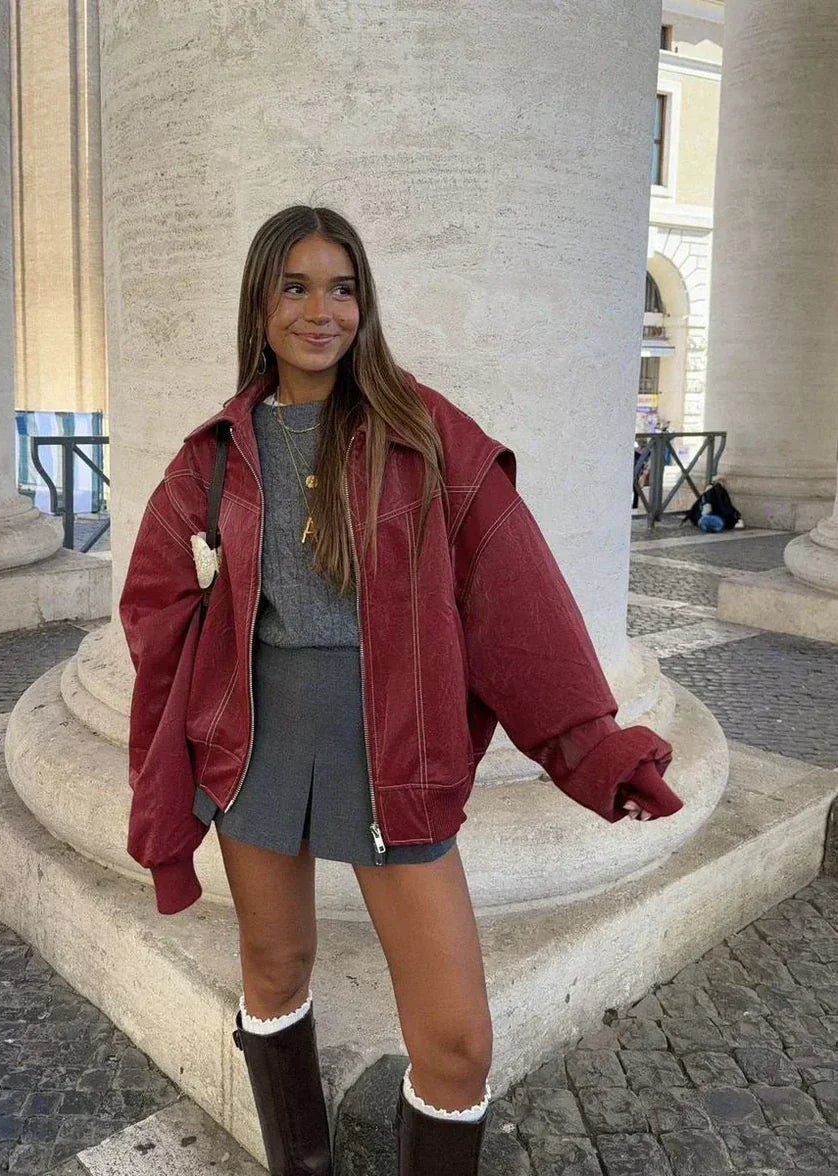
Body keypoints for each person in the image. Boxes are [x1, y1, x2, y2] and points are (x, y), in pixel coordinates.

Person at [118, 205, 684, 1176]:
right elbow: (153, 604)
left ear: (365, 304)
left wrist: (590, 745)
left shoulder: (423, 434)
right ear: (260, 305)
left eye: (342, 289)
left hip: (395, 750)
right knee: (273, 969)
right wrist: (192, 718)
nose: (321, 311)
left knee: (457, 1042)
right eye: (296, 288)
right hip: (257, 751)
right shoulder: (215, 454)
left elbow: (516, 596)